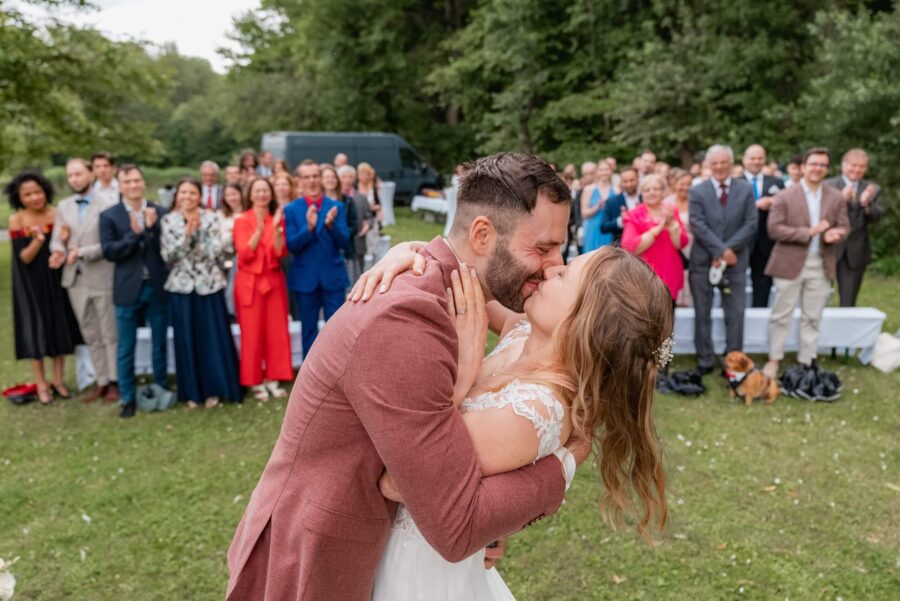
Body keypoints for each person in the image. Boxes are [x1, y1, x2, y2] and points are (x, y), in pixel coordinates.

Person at [225, 153, 588, 601]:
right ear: (482, 234)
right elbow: (455, 526)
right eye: (542, 248)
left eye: (560, 248)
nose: (555, 264)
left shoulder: (455, 287)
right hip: (318, 557)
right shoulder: (405, 319)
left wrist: (414, 246)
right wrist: (564, 464)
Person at [359, 243, 672, 600]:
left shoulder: (533, 413)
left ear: (584, 320)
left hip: (416, 575)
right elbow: (464, 284)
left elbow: (396, 481)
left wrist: (462, 372)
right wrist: (412, 257)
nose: (553, 268)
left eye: (566, 274)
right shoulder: (523, 329)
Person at [763, 148, 849, 377]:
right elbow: (774, 229)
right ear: (803, 167)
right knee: (782, 315)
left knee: (813, 316)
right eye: (814, 163)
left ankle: (807, 360)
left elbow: (844, 225)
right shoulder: (784, 196)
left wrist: (836, 234)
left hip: (821, 264)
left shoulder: (835, 196)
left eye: (822, 164)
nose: (818, 168)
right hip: (789, 263)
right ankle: (774, 359)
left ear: (827, 169)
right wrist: (810, 231)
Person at [161, 178, 241, 408]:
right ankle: (192, 392)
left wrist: (201, 233)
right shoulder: (168, 220)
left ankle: (215, 389)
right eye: (183, 192)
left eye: (192, 193)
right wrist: (187, 234)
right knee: (187, 340)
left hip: (209, 285)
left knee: (212, 339)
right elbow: (169, 256)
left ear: (199, 196)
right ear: (177, 196)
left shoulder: (211, 217)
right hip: (182, 286)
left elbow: (218, 251)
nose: (187, 197)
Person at [6, 171, 83, 405]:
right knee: (35, 329)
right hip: (30, 283)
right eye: (27, 194)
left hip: (55, 278)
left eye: (37, 192)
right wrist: (39, 240)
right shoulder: (17, 220)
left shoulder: (56, 214)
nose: (34, 197)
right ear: (19, 197)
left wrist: (66, 238)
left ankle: (58, 380)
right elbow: (24, 258)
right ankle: (41, 383)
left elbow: (64, 246)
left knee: (57, 325)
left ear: (46, 191)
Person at [99, 164, 170, 419]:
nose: (132, 185)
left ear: (143, 182)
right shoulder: (109, 216)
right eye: (127, 181)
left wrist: (151, 229)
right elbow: (110, 251)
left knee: (158, 343)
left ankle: (161, 387)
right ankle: (127, 397)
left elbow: (165, 249)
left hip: (156, 287)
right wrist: (136, 234)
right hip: (127, 289)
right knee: (125, 347)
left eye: (136, 180)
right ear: (120, 185)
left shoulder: (160, 212)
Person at [49, 158, 119, 403]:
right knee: (90, 333)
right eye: (70, 176)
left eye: (78, 174)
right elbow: (58, 238)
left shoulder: (107, 204)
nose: (74, 179)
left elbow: (111, 244)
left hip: (101, 275)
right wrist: (58, 251)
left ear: (91, 174)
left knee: (109, 332)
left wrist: (82, 252)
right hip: (75, 280)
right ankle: (100, 381)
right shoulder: (64, 205)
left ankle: (114, 381)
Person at [688, 145, 757, 375]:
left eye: (723, 162)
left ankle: (733, 361)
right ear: (709, 165)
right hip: (703, 262)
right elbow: (698, 224)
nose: (719, 167)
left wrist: (728, 251)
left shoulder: (745, 189)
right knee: (702, 313)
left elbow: (751, 224)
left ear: (731, 163)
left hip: (735, 261)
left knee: (736, 313)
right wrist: (719, 251)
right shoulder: (697, 191)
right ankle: (705, 360)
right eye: (714, 163)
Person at [284, 160, 350, 358]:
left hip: (332, 277)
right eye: (306, 177)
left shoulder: (336, 206)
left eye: (315, 176)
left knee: (337, 330)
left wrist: (332, 226)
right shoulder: (292, 209)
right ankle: (310, 378)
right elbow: (291, 246)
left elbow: (346, 243)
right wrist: (309, 228)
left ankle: (337, 375)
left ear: (321, 178)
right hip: (305, 279)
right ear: (299, 181)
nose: (311, 181)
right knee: (309, 330)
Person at [233, 178, 292, 400]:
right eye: (257, 191)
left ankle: (273, 377)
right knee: (252, 333)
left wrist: (275, 229)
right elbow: (244, 253)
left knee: (276, 331)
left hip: (273, 280)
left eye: (265, 191)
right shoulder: (242, 221)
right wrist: (258, 231)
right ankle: (254, 380)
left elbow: (279, 253)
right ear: (250, 195)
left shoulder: (276, 219)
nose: (261, 194)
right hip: (250, 283)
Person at [824, 148, 884, 307]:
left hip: (855, 251)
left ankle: (844, 331)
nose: (857, 170)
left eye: (861, 166)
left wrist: (866, 204)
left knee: (848, 301)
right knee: (820, 298)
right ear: (843, 166)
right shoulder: (828, 185)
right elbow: (821, 215)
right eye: (853, 165)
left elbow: (876, 217)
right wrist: (841, 199)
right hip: (828, 248)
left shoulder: (872, 188)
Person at [621, 174, 689, 302]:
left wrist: (671, 223)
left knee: (668, 318)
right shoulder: (634, 214)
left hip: (669, 273)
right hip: (644, 276)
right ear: (642, 193)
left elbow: (680, 243)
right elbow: (630, 246)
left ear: (663, 192)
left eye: (656, 189)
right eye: (647, 190)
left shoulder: (671, 211)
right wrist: (659, 227)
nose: (652, 193)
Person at [743, 144, 786, 307]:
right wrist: (754, 204)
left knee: (763, 284)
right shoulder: (735, 182)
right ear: (744, 160)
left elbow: (786, 207)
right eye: (752, 158)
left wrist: (774, 202)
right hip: (741, 242)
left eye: (760, 158)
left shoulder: (777, 182)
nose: (756, 161)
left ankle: (759, 315)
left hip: (766, 242)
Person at [339, 164, 372, 282]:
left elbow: (369, 216)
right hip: (339, 246)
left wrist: (367, 224)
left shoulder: (361, 197)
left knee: (358, 278)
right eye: (344, 177)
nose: (347, 180)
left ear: (354, 178)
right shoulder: (336, 198)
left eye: (350, 177)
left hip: (358, 243)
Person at [219, 182, 244, 319]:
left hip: (245, 258)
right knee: (229, 292)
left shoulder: (248, 213)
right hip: (228, 259)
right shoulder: (221, 216)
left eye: (234, 193)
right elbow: (221, 241)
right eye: (228, 195)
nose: (232, 198)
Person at [580, 159, 616, 252]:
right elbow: (584, 213)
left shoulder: (617, 190)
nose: (604, 172)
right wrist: (597, 207)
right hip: (593, 228)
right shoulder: (588, 189)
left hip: (610, 230)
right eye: (601, 170)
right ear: (597, 172)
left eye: (606, 169)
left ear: (611, 171)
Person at [670, 169, 694, 306]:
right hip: (674, 249)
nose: (685, 187)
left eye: (688, 184)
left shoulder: (696, 201)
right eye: (682, 184)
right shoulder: (667, 202)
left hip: (693, 248)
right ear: (675, 184)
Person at [600, 167, 641, 244]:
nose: (629, 184)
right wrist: (620, 221)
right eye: (625, 181)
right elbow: (603, 227)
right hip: (622, 249)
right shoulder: (612, 201)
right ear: (621, 182)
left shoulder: (645, 199)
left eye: (632, 180)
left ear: (638, 179)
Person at [357, 161, 383, 261]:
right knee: (364, 244)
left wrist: (374, 208)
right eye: (361, 173)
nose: (363, 176)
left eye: (365, 173)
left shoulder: (373, 187)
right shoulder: (356, 187)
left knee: (374, 243)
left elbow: (379, 204)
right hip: (361, 219)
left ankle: (375, 262)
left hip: (373, 218)